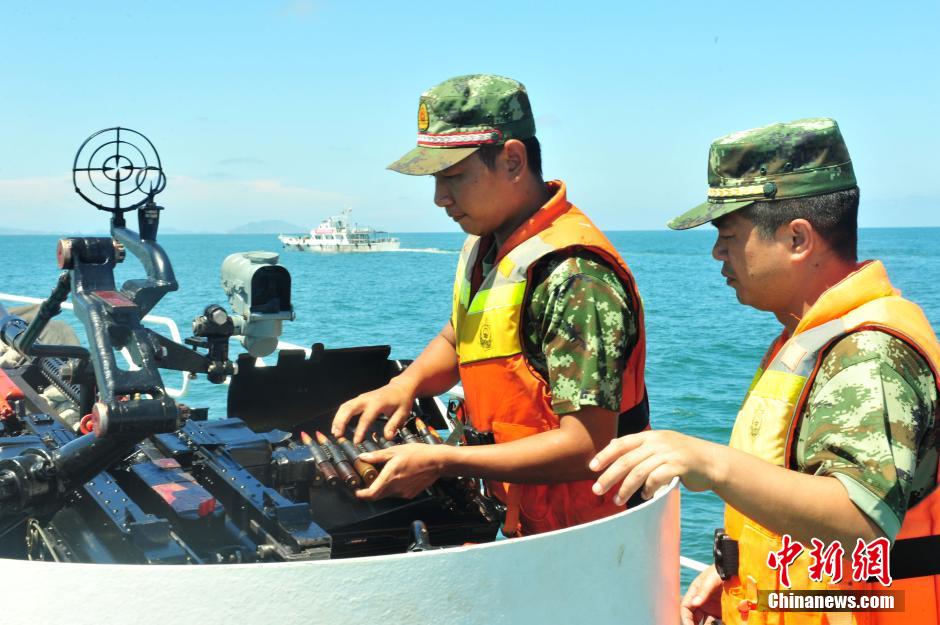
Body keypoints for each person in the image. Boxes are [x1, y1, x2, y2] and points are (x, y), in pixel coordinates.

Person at [590, 118, 940, 625]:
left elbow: (859, 523)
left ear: (798, 238)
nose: (717, 252)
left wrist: (710, 464)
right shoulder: (811, 336)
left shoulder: (868, 354)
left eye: (729, 235)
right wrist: (742, 573)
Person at [331, 74, 649, 536]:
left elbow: (587, 445)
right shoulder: (491, 244)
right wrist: (404, 386)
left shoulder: (574, 278)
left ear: (513, 161)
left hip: (592, 536)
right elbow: (461, 337)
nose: (440, 198)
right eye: (436, 180)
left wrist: (443, 461)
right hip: (528, 523)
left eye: (453, 177)